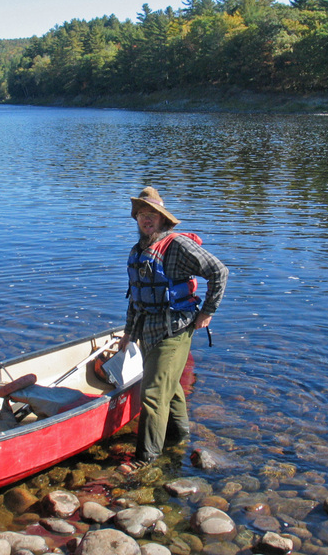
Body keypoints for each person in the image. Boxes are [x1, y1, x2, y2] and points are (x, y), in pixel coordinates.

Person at [117, 186, 228, 474]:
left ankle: (145, 458)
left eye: (152, 214)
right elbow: (136, 297)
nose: (146, 219)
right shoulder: (138, 251)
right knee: (171, 386)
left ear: (163, 219)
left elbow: (219, 271)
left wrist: (208, 311)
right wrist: (128, 333)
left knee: (153, 393)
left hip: (174, 330)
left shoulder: (177, 246)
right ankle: (178, 437)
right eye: (141, 214)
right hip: (147, 330)